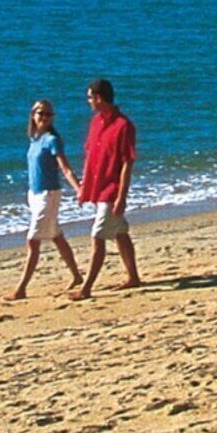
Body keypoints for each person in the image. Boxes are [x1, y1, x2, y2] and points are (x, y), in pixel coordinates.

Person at [65, 76, 141, 299]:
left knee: (97, 236)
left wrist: (121, 196)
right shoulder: (95, 123)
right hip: (98, 188)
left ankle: (86, 288)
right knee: (120, 233)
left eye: (90, 98)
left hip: (112, 189)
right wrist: (84, 188)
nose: (88, 102)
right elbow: (90, 157)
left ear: (98, 98)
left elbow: (128, 162)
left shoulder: (124, 126)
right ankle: (133, 276)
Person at [8, 99, 80, 301]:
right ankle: (76, 275)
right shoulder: (35, 140)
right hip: (35, 195)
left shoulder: (52, 140)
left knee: (33, 240)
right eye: (41, 113)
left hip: (49, 195)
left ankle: (21, 288)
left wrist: (79, 189)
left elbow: (65, 168)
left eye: (49, 114)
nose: (45, 117)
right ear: (33, 114)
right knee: (56, 236)